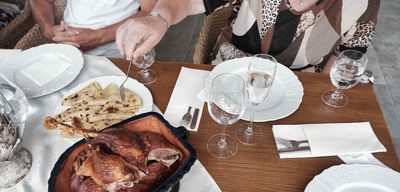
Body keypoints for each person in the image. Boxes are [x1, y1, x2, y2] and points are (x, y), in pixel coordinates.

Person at [116, 0, 380, 72]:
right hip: (230, 72)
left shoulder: (363, 3)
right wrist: (158, 18)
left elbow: (349, 54)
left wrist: (320, 99)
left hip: (301, 87)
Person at [30, 0, 157, 57]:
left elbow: (149, 11)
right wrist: (48, 28)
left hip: (120, 46)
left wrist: (98, 37)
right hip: (67, 47)